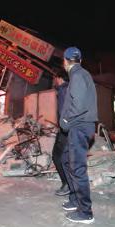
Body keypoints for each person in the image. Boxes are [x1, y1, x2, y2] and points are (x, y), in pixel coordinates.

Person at [59, 46, 98, 224]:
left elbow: (78, 104)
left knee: (77, 168)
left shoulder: (77, 75)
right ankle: (75, 200)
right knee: (67, 159)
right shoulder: (82, 74)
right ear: (80, 60)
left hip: (79, 126)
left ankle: (85, 211)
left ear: (65, 61)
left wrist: (66, 121)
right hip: (81, 126)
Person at [52, 68, 70, 196]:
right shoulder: (68, 89)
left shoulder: (64, 90)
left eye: (55, 78)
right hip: (67, 129)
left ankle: (67, 184)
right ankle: (68, 184)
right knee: (63, 157)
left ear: (59, 78)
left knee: (58, 156)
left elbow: (65, 112)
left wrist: (63, 128)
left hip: (66, 130)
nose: (54, 81)